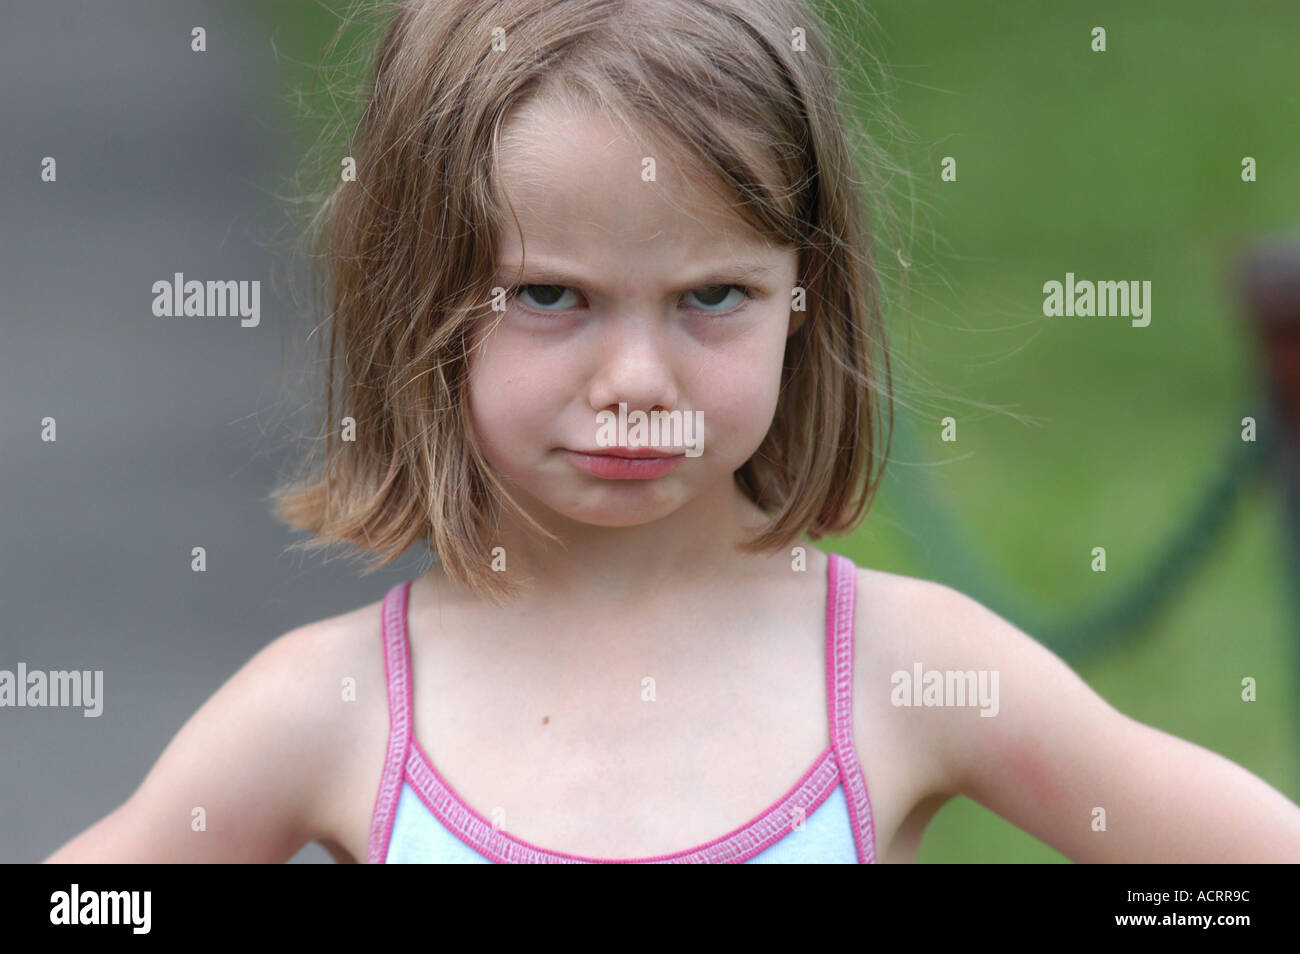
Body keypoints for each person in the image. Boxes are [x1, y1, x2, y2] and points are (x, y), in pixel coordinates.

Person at [45, 0, 1300, 863]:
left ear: (804, 300)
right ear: (416, 299)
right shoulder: (331, 710)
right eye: (549, 298)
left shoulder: (901, 672)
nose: (636, 376)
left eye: (712, 297)